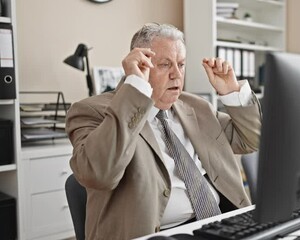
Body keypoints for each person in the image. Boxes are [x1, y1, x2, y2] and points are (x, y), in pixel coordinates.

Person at [65, 22, 262, 239]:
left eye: (181, 64)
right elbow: (99, 174)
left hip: (219, 226)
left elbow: (250, 140)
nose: (177, 75)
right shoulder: (90, 111)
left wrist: (232, 92)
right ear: (141, 64)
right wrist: (136, 90)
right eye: (165, 65)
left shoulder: (197, 107)